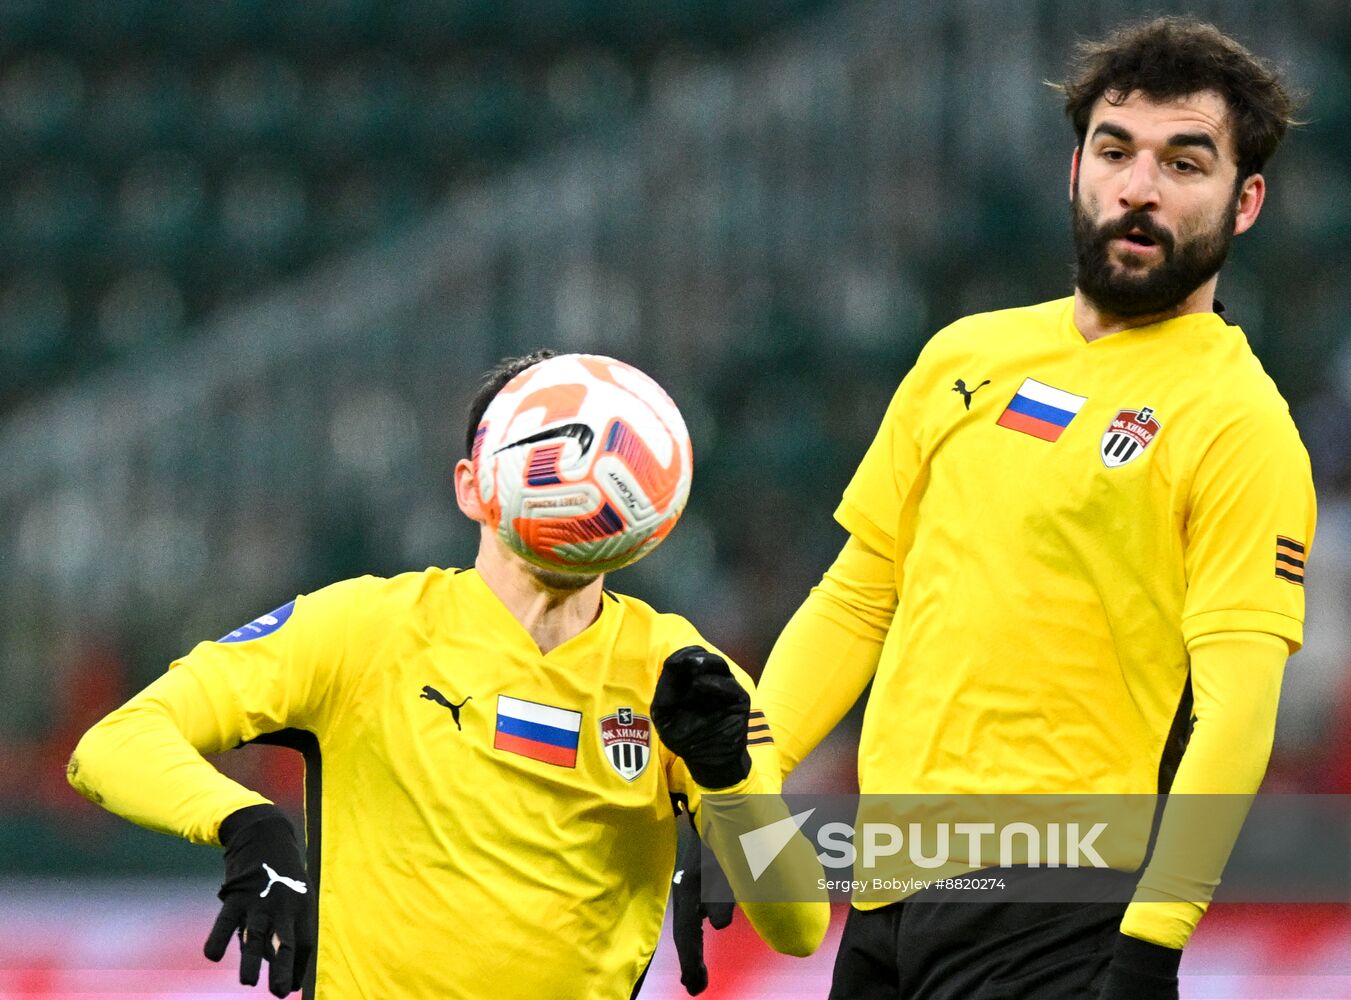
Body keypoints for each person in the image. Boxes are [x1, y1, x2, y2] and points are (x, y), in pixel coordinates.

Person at [754, 16, 1314, 1000]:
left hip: (1062, 904)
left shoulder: (1239, 425)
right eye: (1114, 151)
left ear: (1245, 201)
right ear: (1074, 171)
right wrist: (736, 793)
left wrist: (1153, 940)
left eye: (1184, 163)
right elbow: (856, 599)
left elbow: (1236, 709)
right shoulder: (963, 355)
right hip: (886, 889)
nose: (1137, 188)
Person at [67, 350, 828, 999]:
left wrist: (728, 783)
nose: (571, 461)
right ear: (471, 484)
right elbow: (115, 744)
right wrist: (247, 825)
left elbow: (797, 927)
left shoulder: (684, 675)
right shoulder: (364, 628)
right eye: (541, 439)